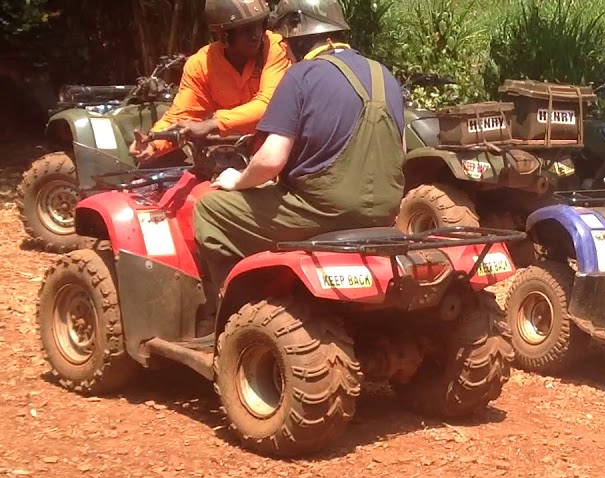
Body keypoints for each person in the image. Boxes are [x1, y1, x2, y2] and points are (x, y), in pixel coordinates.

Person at [190, 0, 407, 307]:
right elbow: (400, 151)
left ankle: (234, 310)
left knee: (210, 209)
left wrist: (237, 181)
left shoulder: (301, 76)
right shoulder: (384, 75)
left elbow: (270, 160)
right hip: (385, 209)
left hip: (322, 210)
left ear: (295, 37)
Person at [130, 0, 292, 167]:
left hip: (279, 152)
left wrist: (213, 124)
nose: (255, 35)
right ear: (224, 35)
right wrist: (154, 142)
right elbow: (182, 116)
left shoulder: (274, 47)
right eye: (245, 29)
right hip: (234, 158)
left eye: (259, 25)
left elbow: (271, 105)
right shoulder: (201, 64)